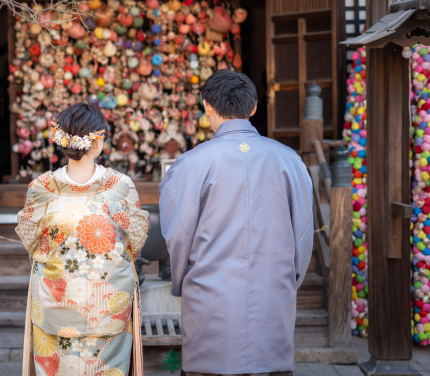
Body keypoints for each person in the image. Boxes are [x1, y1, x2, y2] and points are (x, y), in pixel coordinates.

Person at [159, 70, 314, 376]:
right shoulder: (289, 160)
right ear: (254, 107)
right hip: (273, 292)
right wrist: (288, 280)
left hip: (209, 295)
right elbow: (303, 233)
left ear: (207, 106)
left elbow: (177, 235)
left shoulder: (191, 163)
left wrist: (182, 280)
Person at [16, 102, 150, 376]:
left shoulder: (42, 188)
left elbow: (31, 240)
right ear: (98, 141)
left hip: (54, 300)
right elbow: (136, 240)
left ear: (61, 140)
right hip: (108, 304)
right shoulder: (120, 186)